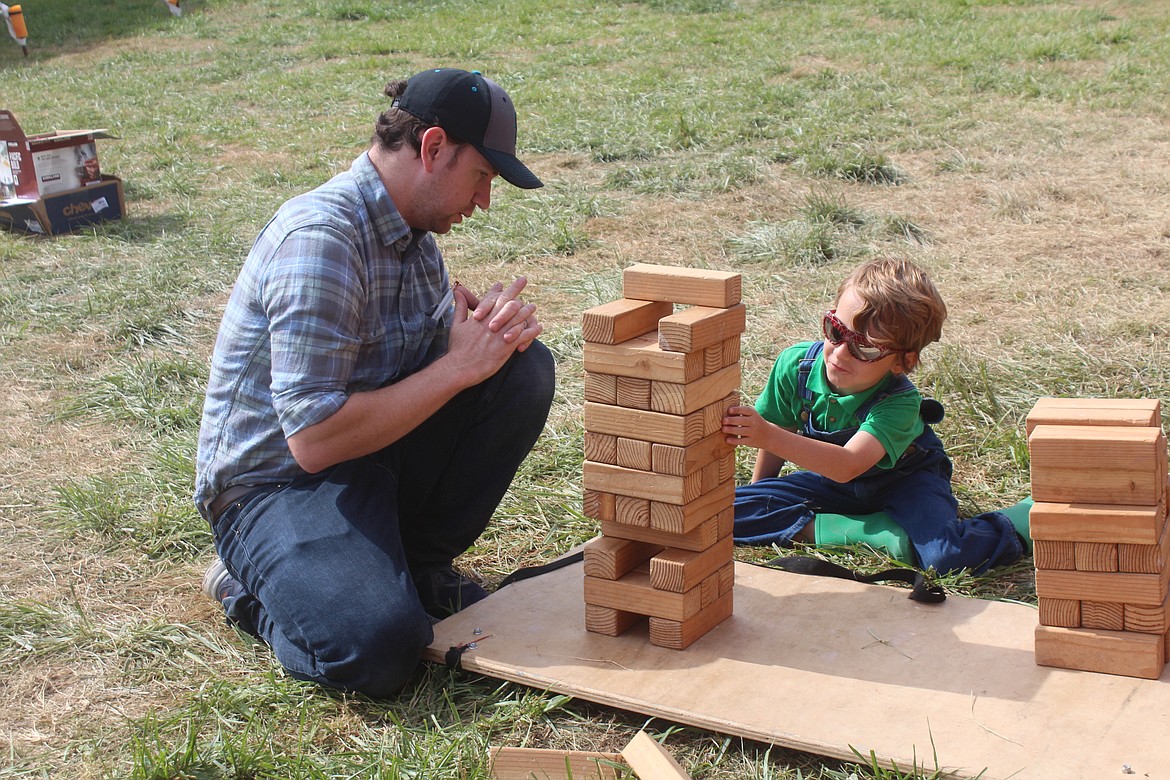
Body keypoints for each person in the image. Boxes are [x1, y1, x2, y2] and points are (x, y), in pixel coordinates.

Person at [194, 68, 556, 697]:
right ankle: (245, 588)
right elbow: (312, 440)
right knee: (379, 650)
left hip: (365, 460)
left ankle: (416, 566)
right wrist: (457, 365)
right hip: (276, 488)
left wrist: (479, 336)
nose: (483, 202)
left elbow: (437, 362)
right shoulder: (321, 241)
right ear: (433, 148)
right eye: (481, 178)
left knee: (519, 371)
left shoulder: (415, 237)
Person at [722, 258, 1024, 575]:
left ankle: (1020, 520)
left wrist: (765, 434)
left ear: (902, 362)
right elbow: (779, 435)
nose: (839, 353)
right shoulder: (796, 365)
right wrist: (759, 494)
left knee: (944, 557)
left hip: (906, 481)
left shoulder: (900, 402)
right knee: (721, 512)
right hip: (834, 485)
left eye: (865, 349)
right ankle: (863, 530)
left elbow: (846, 464)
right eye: (835, 330)